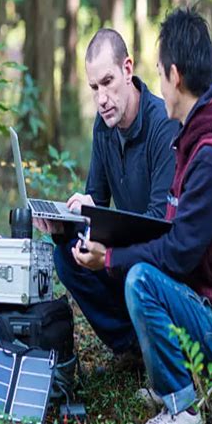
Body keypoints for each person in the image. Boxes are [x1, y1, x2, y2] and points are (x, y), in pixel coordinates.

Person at [71, 8, 212, 424]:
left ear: (174, 75)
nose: (156, 84)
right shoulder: (196, 139)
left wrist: (112, 259)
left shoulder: (211, 156)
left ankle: (182, 409)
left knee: (141, 279)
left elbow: (177, 253)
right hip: (205, 304)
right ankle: (165, 379)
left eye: (158, 73)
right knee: (131, 270)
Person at [35, 28, 178, 356]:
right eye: (94, 87)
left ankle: (156, 341)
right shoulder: (103, 127)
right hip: (125, 255)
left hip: (159, 263)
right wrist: (67, 225)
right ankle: (131, 347)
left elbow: (159, 224)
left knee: (127, 265)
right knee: (66, 254)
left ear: (128, 70)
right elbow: (96, 205)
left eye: (108, 82)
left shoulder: (163, 125)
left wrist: (107, 248)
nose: (101, 98)